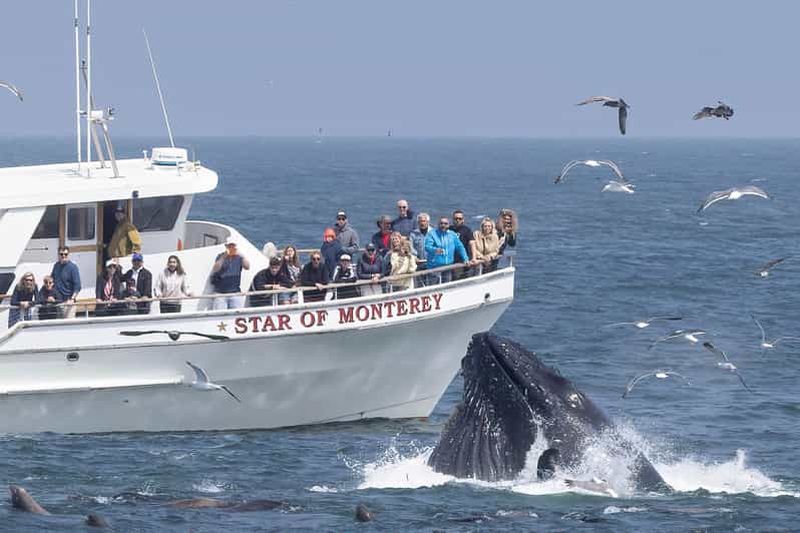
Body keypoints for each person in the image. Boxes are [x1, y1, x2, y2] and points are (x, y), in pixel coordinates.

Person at [424, 216, 471, 284]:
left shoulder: (452, 235)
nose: (443, 225)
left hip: (448, 267)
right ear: (438, 224)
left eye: (445, 223)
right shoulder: (432, 234)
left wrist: (465, 258)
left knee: (446, 286)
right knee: (433, 288)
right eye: (441, 223)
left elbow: (460, 247)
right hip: (434, 267)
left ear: (449, 225)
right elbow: (427, 246)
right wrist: (435, 250)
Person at [210, 236, 250, 310]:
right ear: (226, 246)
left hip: (235, 292)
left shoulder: (239, 257)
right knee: (219, 316)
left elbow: (247, 267)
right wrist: (223, 257)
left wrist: (242, 256)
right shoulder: (220, 256)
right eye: (229, 246)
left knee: (237, 315)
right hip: (220, 293)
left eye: (233, 246)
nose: (231, 247)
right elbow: (215, 268)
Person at [51, 246, 81, 319]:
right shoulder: (56, 266)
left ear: (68, 255)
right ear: (58, 255)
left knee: (69, 326)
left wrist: (72, 299)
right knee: (58, 327)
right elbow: (52, 281)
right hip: (57, 302)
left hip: (68, 303)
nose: (63, 256)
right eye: (61, 254)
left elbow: (78, 286)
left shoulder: (73, 267)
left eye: (66, 254)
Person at [451, 209, 477, 279]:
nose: (458, 220)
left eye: (460, 218)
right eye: (456, 218)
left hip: (464, 260)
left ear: (463, 220)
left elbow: (472, 243)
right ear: (453, 219)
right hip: (452, 261)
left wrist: (474, 258)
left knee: (464, 278)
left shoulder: (467, 230)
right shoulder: (449, 230)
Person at [409, 212, 431, 285]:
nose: (422, 223)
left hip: (431, 263)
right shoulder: (413, 234)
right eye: (420, 221)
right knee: (420, 284)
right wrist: (414, 257)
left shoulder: (433, 232)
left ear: (428, 222)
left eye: (424, 221)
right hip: (419, 264)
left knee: (432, 283)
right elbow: (411, 247)